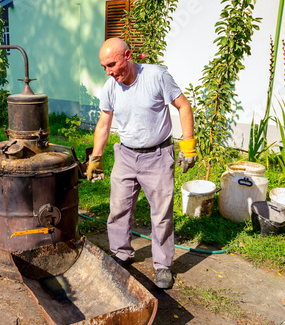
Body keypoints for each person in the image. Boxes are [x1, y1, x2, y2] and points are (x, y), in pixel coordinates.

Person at [86, 38, 197, 289]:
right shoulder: (110, 87)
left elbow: (183, 106)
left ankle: (162, 266)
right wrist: (95, 158)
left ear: (127, 55)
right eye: (104, 67)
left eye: (112, 64)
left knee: (160, 215)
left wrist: (188, 146)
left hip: (157, 156)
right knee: (119, 210)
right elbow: (104, 124)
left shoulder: (157, 76)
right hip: (125, 155)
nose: (109, 72)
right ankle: (121, 254)